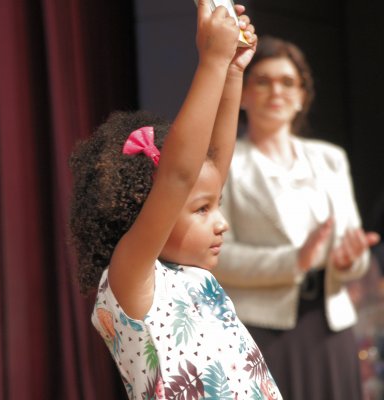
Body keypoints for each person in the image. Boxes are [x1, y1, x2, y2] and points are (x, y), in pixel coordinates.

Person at [69, 3, 283, 399]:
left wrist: (233, 70)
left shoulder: (194, 276)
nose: (220, 222)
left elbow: (212, 165)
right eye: (202, 210)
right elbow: (179, 177)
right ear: (148, 211)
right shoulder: (131, 278)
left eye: (215, 206)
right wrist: (212, 63)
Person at [214, 35, 380, 400]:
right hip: (262, 328)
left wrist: (350, 260)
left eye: (288, 82)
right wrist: (295, 261)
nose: (277, 91)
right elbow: (217, 257)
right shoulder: (226, 164)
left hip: (332, 326)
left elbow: (355, 251)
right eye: (263, 81)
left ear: (303, 96)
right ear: (243, 95)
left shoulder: (330, 158)